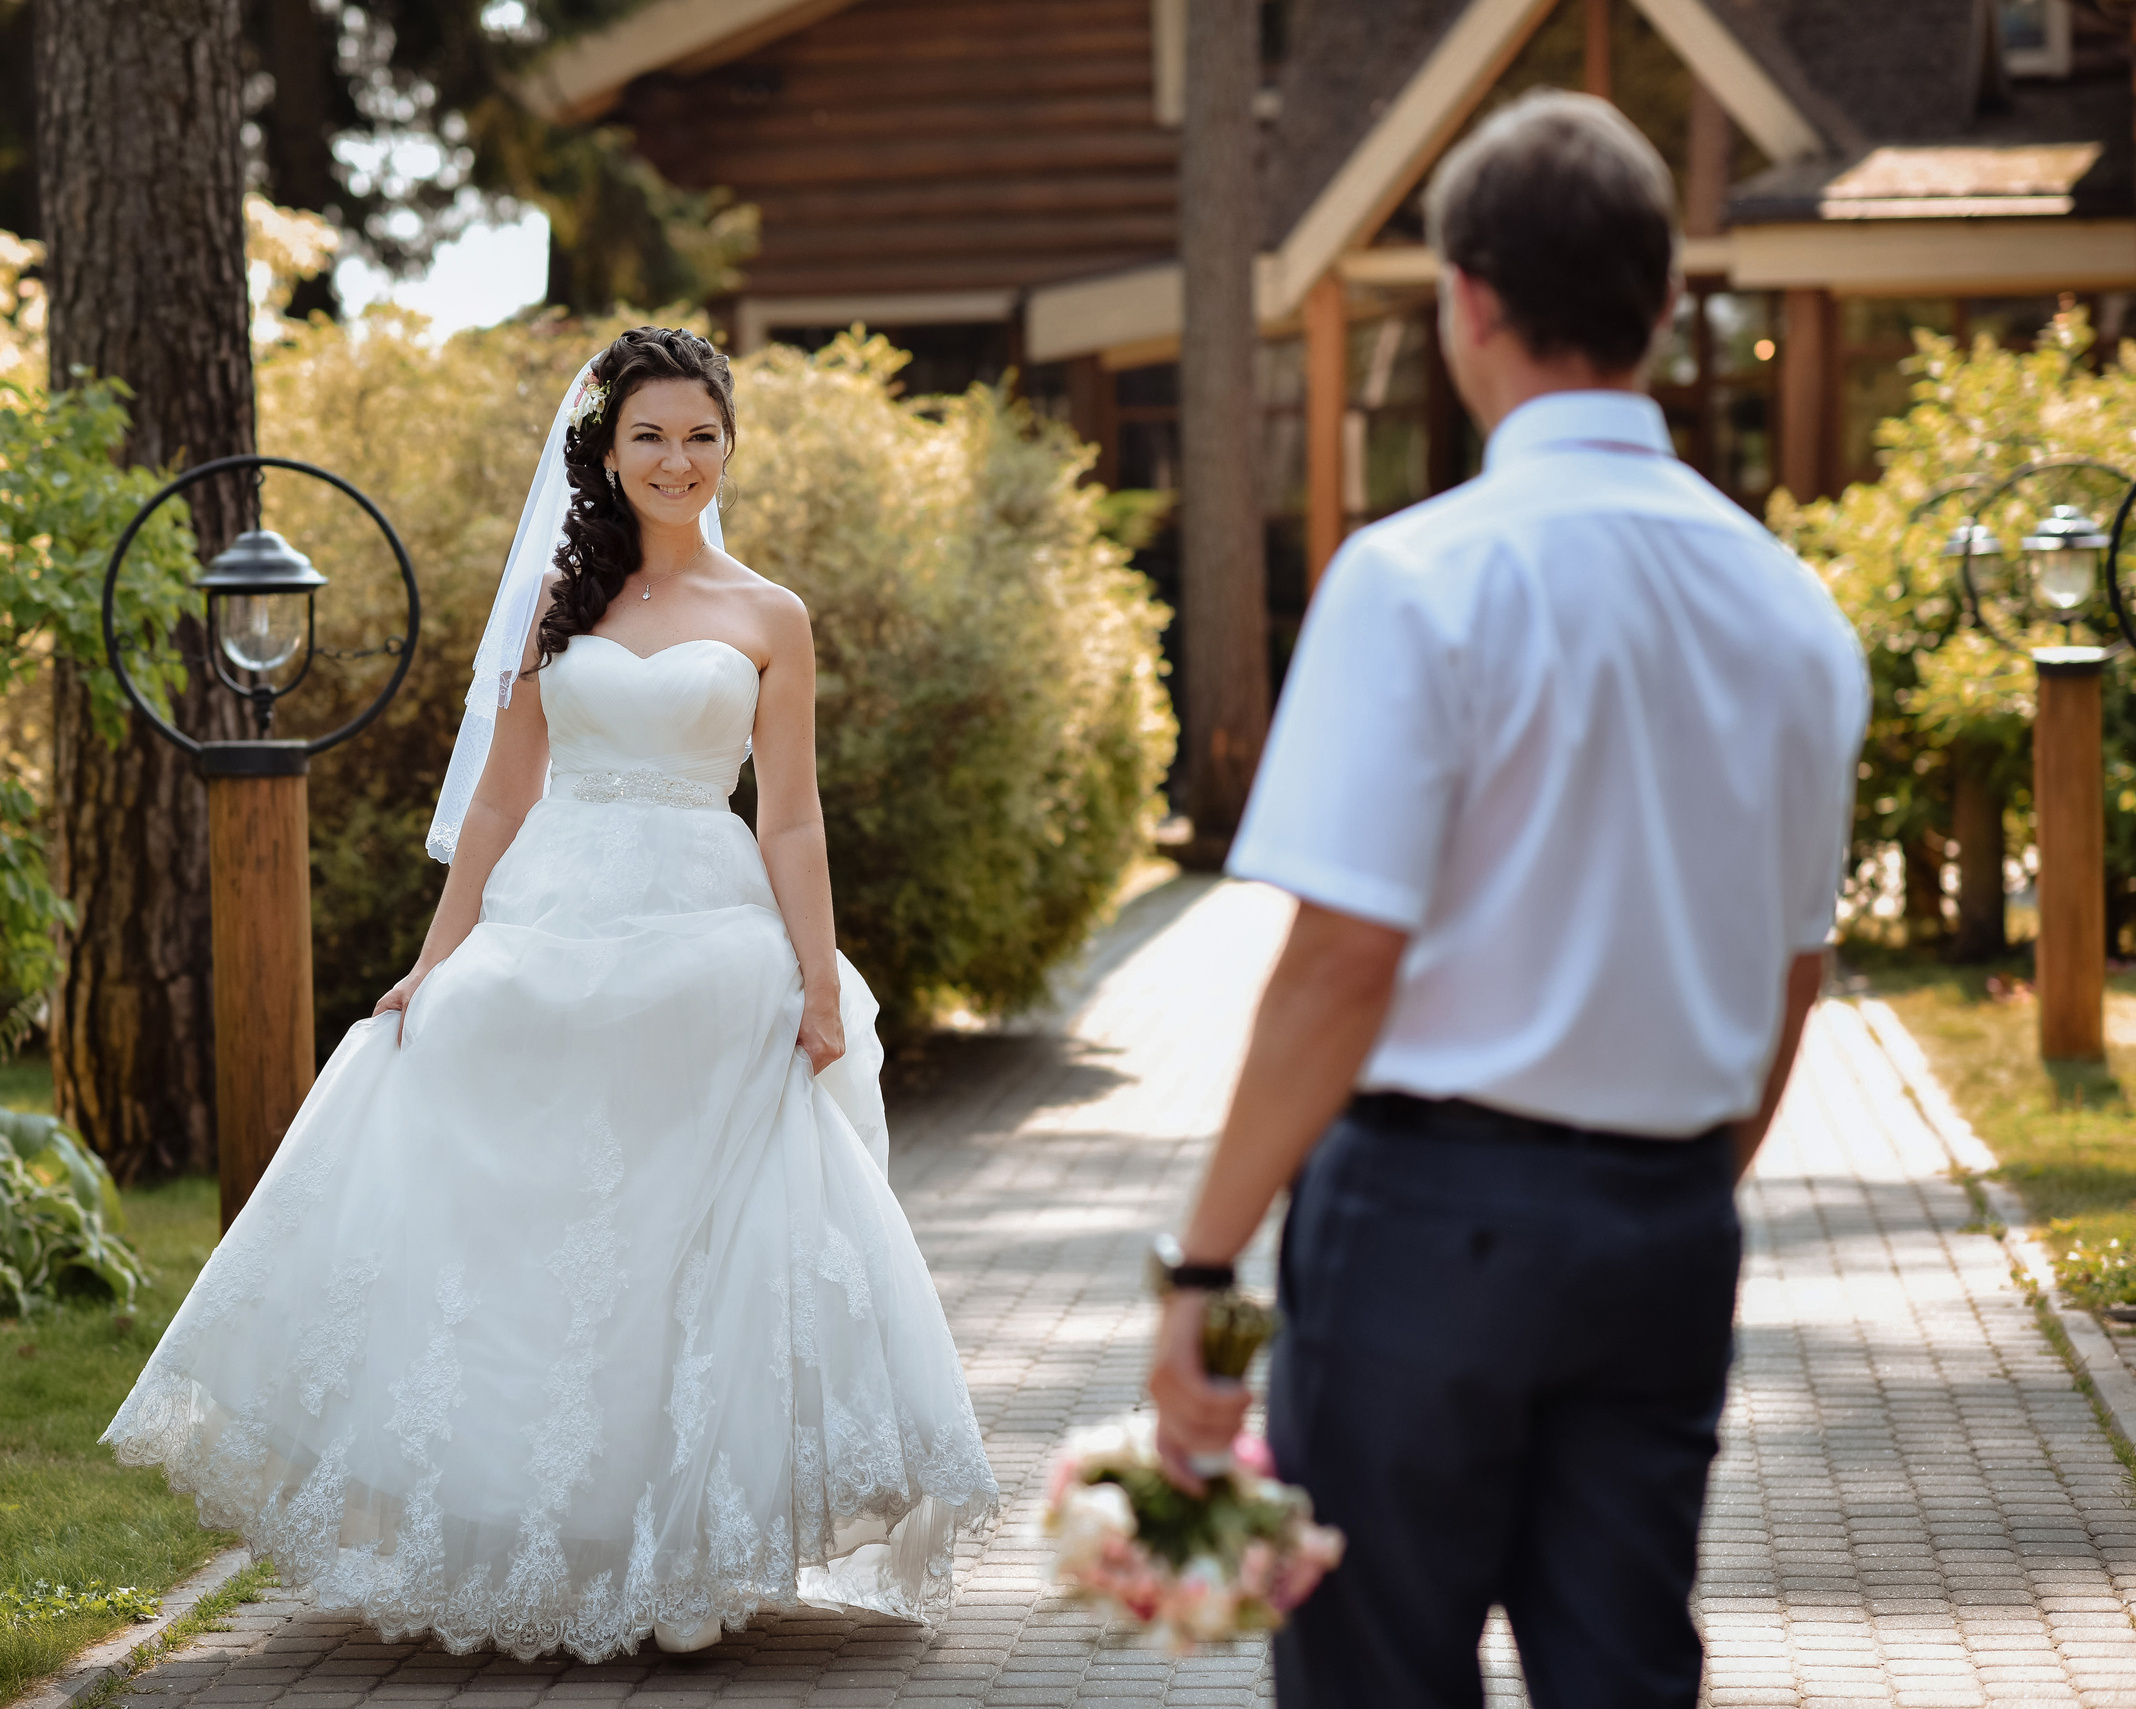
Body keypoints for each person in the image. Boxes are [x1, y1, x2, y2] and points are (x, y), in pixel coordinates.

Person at [103, 327, 1000, 1663]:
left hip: (702, 922)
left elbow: (793, 818)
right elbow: (503, 797)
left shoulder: (770, 616)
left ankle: (676, 1541)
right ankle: (517, 1519)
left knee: (685, 1230)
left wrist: (818, 981)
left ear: (728, 445)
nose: (676, 458)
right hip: (555, 904)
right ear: (609, 449)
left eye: (700, 433)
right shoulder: (555, 606)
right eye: (650, 435)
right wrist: (436, 951)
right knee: (468, 1081)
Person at [1145, 93, 1868, 1708]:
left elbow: (1340, 959)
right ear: (1667, 307)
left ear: (1466, 301)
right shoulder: (1799, 616)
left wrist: (1202, 1267)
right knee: (1623, 1671)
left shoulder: (1417, 579)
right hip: (1672, 1222)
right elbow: (1795, 974)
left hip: (1426, 1229)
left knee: (1379, 1676)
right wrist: (1673, 1178)